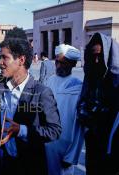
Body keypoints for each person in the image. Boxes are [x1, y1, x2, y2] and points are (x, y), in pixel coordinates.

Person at [0, 26, 61, 174]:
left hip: (29, 165)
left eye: (5, 58)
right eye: (0, 57)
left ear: (21, 60)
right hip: (1, 162)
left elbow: (54, 130)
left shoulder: (41, 92)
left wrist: (22, 130)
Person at [77, 32, 119, 175]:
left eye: (99, 56)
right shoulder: (91, 76)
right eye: (93, 56)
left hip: (110, 140)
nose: (96, 61)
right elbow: (83, 101)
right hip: (93, 137)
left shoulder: (116, 80)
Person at [45, 44, 84, 175]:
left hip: (66, 148)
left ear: (72, 64)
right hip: (48, 143)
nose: (59, 66)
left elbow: (80, 127)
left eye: (64, 63)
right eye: (57, 62)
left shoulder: (78, 86)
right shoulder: (50, 81)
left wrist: (71, 155)